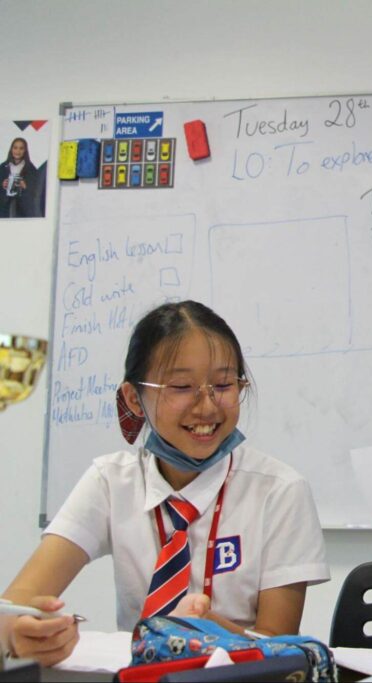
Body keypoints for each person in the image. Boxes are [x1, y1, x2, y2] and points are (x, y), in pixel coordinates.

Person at [0, 300, 330, 666]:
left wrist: (211, 632)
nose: (207, 407)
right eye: (181, 386)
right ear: (133, 398)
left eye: (223, 384)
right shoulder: (110, 482)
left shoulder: (279, 491)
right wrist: (19, 635)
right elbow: (17, 603)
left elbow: (282, 651)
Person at [0, 137, 41, 218]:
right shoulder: (2, 167)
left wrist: (25, 186)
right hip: (4, 210)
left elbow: (37, 191)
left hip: (23, 211)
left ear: (25, 150)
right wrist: (2, 185)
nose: (17, 151)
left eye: (21, 148)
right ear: (11, 149)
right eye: (15, 148)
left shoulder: (31, 169)